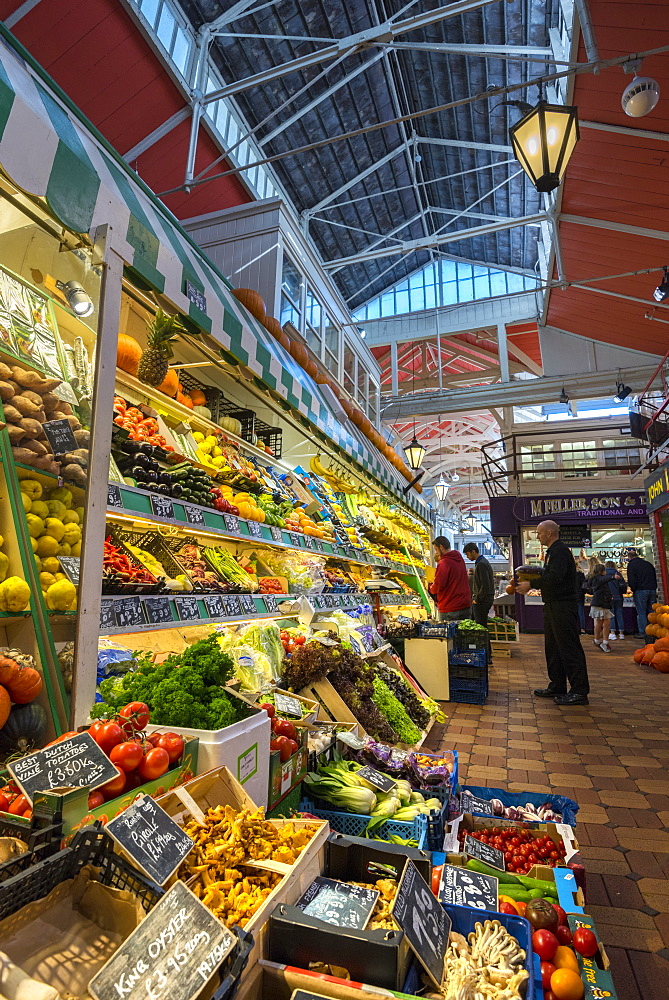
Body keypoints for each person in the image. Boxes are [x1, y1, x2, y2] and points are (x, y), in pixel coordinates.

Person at [515, 519, 590, 706]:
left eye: (539, 533)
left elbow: (555, 578)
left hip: (563, 606)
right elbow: (550, 576)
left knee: (568, 647)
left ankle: (579, 691)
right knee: (554, 647)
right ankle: (557, 685)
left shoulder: (560, 551)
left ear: (549, 533)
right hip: (553, 605)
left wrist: (531, 584)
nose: (537, 536)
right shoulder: (552, 552)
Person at [428, 537, 471, 621]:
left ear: (441, 547)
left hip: (449, 606)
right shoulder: (459, 559)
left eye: (436, 549)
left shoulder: (444, 562)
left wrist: (431, 588)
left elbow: (439, 585)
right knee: (464, 632)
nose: (436, 553)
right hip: (465, 605)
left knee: (450, 633)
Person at [626, 548, 657, 638]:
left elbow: (632, 580)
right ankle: (653, 631)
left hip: (640, 590)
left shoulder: (632, 565)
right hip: (652, 589)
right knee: (652, 612)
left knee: (641, 612)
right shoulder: (648, 564)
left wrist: (633, 589)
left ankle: (643, 632)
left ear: (629, 557)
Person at [463, 542, 495, 626]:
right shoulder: (482, 562)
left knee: (480, 625)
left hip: (483, 601)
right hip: (485, 599)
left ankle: (483, 639)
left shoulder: (481, 564)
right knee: (481, 624)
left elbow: (485, 585)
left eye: (467, 554)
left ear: (473, 552)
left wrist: (477, 599)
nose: (467, 557)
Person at [585, 563, 613, 652]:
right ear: (602, 571)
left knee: (602, 623)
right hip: (601, 603)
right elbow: (604, 580)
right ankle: (602, 641)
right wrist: (613, 577)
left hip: (600, 603)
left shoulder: (594, 579)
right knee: (603, 623)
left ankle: (600, 640)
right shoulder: (598, 579)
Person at [605, 561, 627, 640]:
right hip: (618, 597)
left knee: (611, 615)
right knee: (619, 614)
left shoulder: (604, 574)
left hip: (609, 597)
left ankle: (613, 632)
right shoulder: (618, 573)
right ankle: (621, 633)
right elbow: (623, 586)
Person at [574, 556, 586, 634]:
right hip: (580, 595)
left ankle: (573, 629)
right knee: (581, 612)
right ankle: (582, 629)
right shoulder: (581, 574)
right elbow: (584, 585)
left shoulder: (569, 574)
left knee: (572, 613)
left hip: (571, 595)